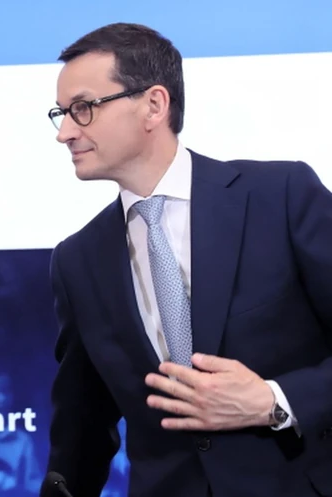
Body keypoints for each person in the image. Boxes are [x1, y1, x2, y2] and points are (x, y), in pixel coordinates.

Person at [43, 22, 332, 497]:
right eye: (62, 113)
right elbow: (82, 425)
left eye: (83, 108)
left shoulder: (280, 197)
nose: (66, 132)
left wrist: (274, 401)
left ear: (154, 105)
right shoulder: (78, 260)